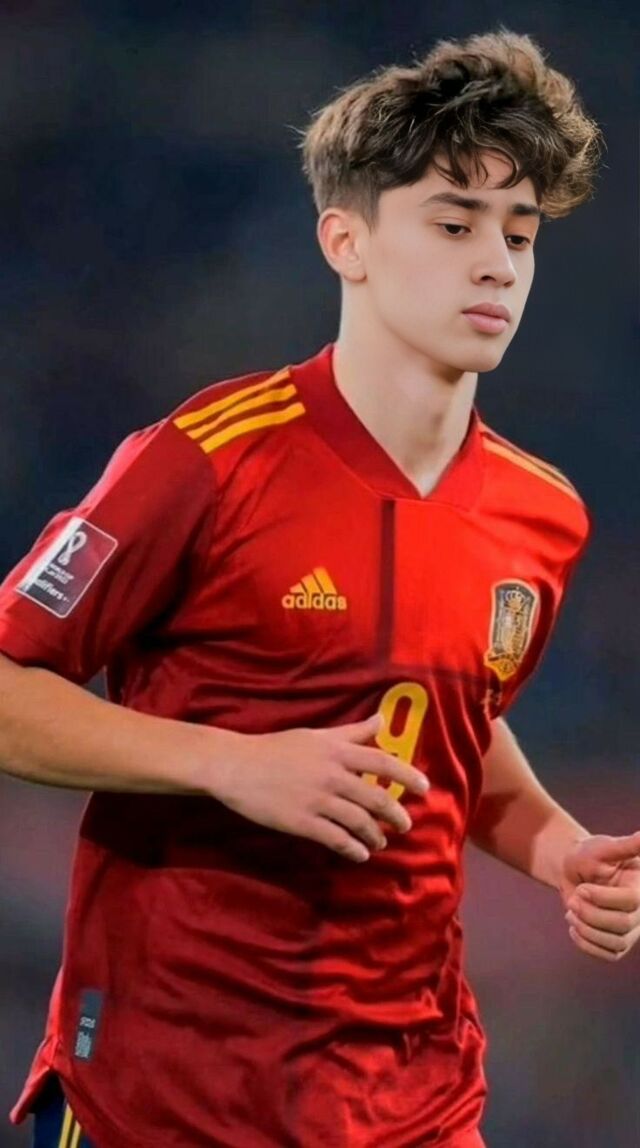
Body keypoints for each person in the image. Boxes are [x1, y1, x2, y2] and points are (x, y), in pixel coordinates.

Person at [2, 26, 639, 1148]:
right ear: (346, 241)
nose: (496, 264)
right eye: (453, 224)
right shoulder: (204, 460)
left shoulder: (543, 514)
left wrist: (554, 845)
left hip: (412, 1100)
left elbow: (452, 716)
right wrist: (231, 761)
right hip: (169, 1093)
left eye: (519, 233)